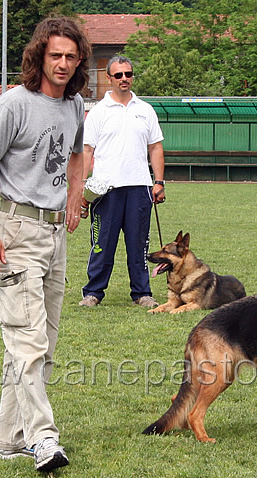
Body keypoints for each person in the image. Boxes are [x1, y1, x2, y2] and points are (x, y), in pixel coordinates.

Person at [0, 16, 91, 472]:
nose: (62, 63)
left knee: (40, 345)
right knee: (28, 341)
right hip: (17, 230)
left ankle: (9, 438)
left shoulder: (76, 105)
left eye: (70, 56)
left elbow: (77, 153)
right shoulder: (12, 104)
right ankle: (43, 439)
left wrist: (75, 197)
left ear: (80, 61)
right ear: (39, 55)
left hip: (56, 233)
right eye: (54, 55)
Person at [78, 55, 166, 308]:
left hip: (139, 187)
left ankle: (142, 293)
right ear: (109, 79)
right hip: (106, 190)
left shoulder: (145, 109)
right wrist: (85, 185)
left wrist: (158, 181)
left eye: (128, 74)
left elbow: (156, 147)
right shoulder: (97, 112)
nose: (124, 79)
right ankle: (93, 292)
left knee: (138, 245)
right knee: (102, 244)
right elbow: (87, 151)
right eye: (118, 75)